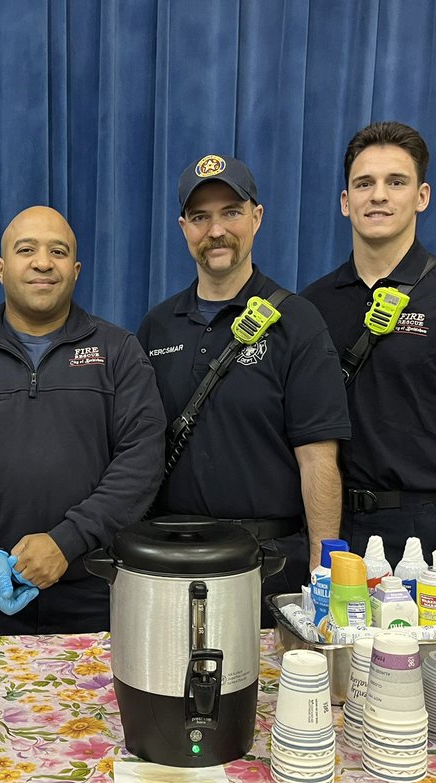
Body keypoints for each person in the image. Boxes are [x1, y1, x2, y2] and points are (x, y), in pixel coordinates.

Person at [0, 206, 165, 636]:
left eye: (58, 252)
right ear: (1, 268)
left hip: (96, 593)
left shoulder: (119, 352)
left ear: (76, 269)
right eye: (26, 249)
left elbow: (141, 461)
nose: (43, 262)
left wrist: (67, 541)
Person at [301, 122, 436, 606]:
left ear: (421, 196)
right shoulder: (311, 305)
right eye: (364, 183)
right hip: (333, 531)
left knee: (418, 682)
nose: (378, 196)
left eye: (395, 182)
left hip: (429, 534)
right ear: (345, 201)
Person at [137, 154, 350, 601]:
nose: (216, 230)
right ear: (183, 228)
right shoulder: (157, 326)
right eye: (200, 217)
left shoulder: (297, 321)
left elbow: (318, 459)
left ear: (257, 217)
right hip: (174, 560)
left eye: (231, 212)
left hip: (271, 564)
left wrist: (322, 568)